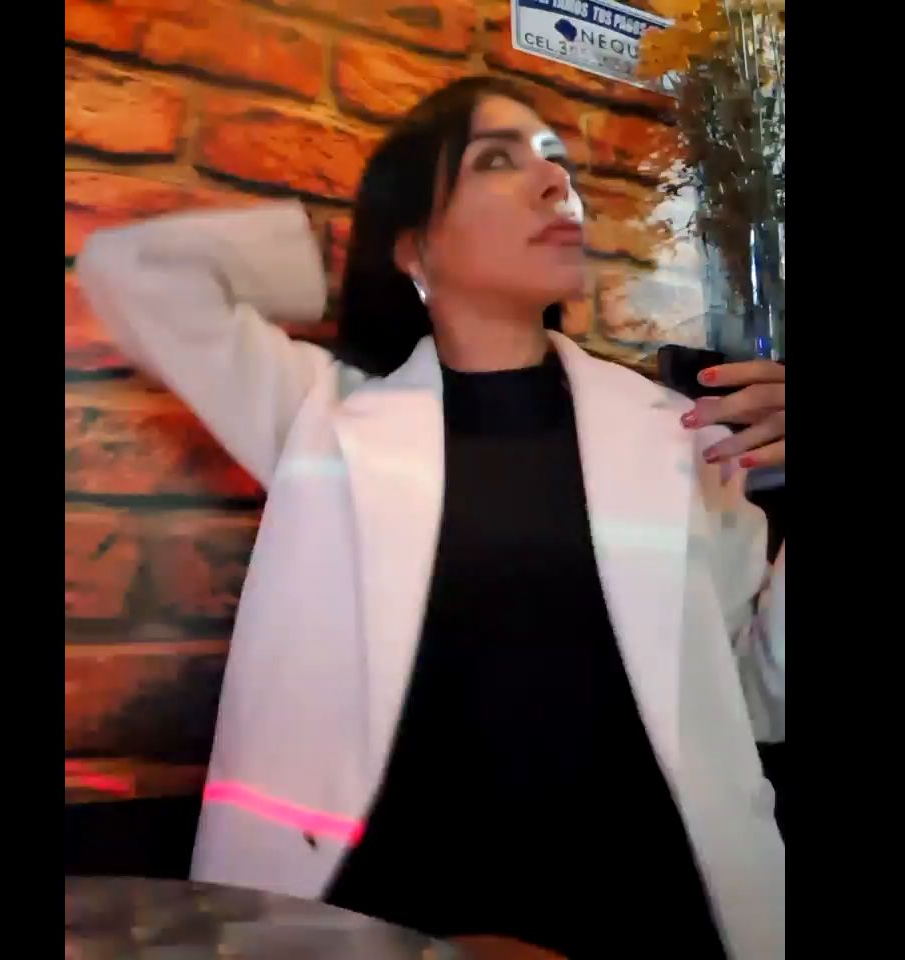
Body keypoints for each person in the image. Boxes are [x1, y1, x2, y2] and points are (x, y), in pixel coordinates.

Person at [77, 77, 785, 959]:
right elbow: (135, 273)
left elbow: (758, 700)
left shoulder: (678, 434)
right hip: (371, 928)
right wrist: (326, 246)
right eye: (497, 160)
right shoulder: (323, 421)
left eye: (556, 162)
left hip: (657, 921)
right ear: (414, 246)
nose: (553, 183)